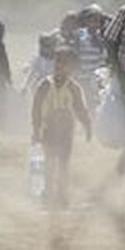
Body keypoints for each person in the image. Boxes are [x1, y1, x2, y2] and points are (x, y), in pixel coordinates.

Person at [30, 47, 92, 209]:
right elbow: (36, 109)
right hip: (48, 131)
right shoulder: (44, 85)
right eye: (58, 62)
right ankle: (48, 194)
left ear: (72, 68)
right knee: (49, 163)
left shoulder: (74, 88)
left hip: (66, 132)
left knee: (63, 164)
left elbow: (81, 109)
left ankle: (62, 195)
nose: (60, 66)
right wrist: (36, 130)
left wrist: (87, 126)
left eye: (65, 63)